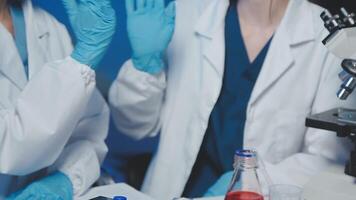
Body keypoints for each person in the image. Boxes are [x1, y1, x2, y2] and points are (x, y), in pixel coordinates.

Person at [109, 0, 356, 199]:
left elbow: (327, 158)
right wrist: (145, 64)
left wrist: (249, 180)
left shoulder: (328, 35)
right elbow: (135, 127)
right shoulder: (188, 11)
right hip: (172, 191)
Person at [0, 0, 115, 199]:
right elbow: (8, 145)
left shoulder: (48, 25)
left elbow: (88, 130)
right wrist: (80, 60)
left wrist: (67, 178)